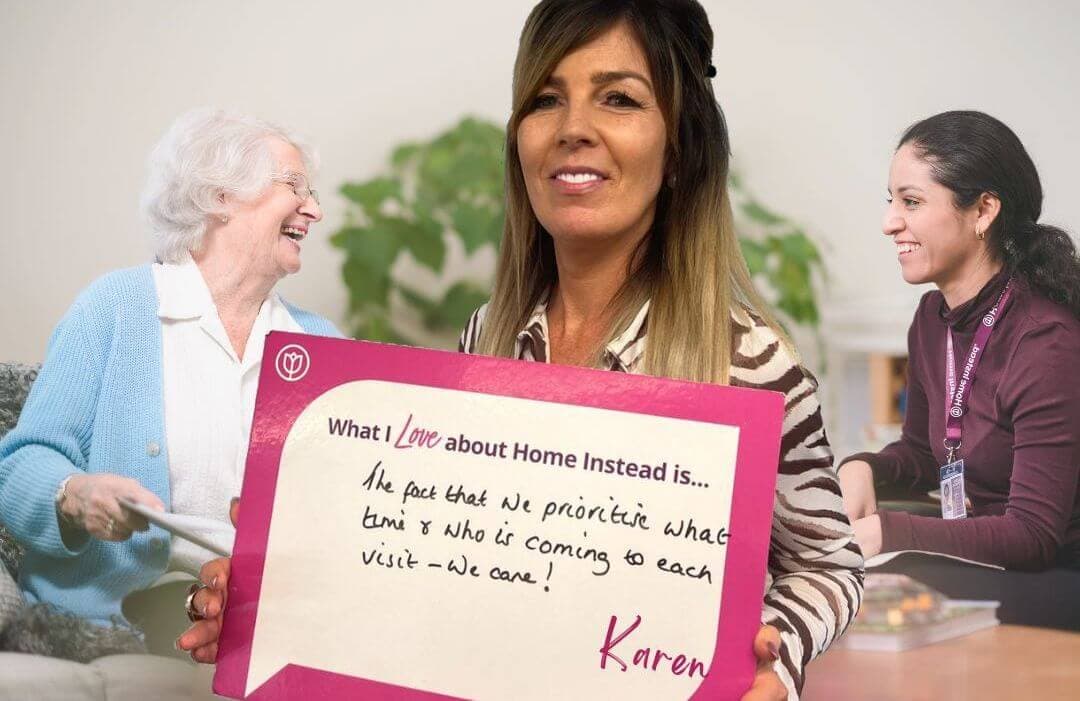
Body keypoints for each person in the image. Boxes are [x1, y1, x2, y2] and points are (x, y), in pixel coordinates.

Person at [181, 3, 862, 698]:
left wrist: (775, 664)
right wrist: (275, 590)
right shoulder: (487, 338)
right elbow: (439, 554)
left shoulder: (751, 363)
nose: (572, 128)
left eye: (619, 98)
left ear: (679, 149)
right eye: (545, 99)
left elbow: (830, 566)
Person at [0, 108, 339, 629]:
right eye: (294, 185)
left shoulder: (323, 344)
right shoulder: (115, 309)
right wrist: (74, 494)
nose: (314, 209)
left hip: (261, 631)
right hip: (103, 628)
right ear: (221, 196)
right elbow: (20, 466)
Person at [839, 110, 1080, 571]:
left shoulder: (1046, 342)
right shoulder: (932, 318)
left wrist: (887, 530)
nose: (889, 222)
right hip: (980, 562)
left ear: (983, 211)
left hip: (1054, 579)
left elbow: (1033, 537)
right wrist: (863, 466)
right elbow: (923, 454)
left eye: (911, 202)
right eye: (892, 201)